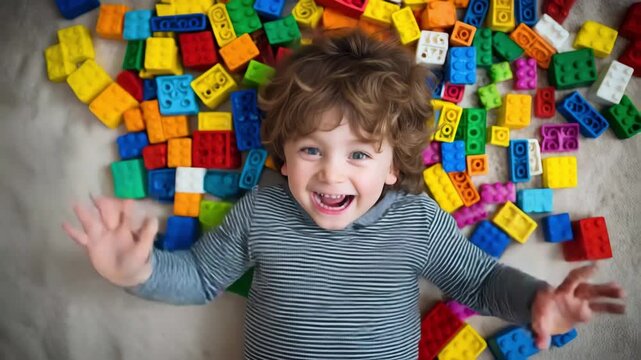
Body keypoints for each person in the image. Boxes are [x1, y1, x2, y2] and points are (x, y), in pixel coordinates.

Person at [62, 29, 625, 359]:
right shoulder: (262, 211)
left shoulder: (415, 219)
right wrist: (136, 272)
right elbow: (201, 278)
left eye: (358, 154)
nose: (331, 174)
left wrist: (536, 301)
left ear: (392, 165)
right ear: (283, 152)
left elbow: (477, 279)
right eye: (311, 150)